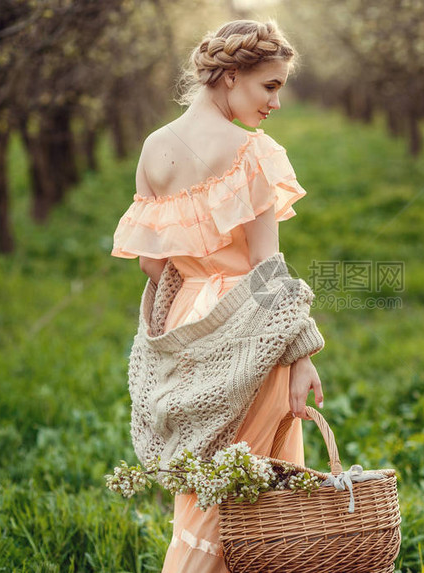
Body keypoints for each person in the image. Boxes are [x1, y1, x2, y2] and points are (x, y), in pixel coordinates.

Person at [110, 20, 324, 573]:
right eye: (269, 86)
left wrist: (195, 295)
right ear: (230, 77)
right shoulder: (251, 153)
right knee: (256, 503)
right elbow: (265, 269)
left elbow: (156, 266)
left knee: (205, 493)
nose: (277, 101)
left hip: (188, 323)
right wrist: (301, 355)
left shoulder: (156, 148)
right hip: (252, 329)